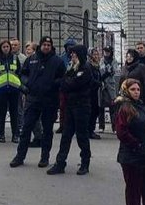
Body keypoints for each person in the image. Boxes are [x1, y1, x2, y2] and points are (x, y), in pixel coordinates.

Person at [10, 36, 66, 168]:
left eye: (48, 44)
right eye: (44, 44)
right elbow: (22, 74)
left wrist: (53, 84)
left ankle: (44, 157)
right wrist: (27, 84)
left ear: (51, 46)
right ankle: (19, 156)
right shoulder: (32, 59)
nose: (46, 47)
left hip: (49, 100)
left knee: (47, 131)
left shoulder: (57, 61)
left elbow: (63, 78)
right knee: (26, 129)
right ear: (40, 46)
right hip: (33, 99)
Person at [48, 44, 94, 175]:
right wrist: (66, 81)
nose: (72, 56)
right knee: (66, 136)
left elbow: (73, 84)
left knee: (82, 136)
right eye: (71, 54)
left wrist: (67, 82)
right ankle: (60, 163)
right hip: (70, 105)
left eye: (74, 53)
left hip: (82, 106)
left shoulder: (85, 68)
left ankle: (85, 163)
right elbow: (64, 83)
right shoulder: (72, 68)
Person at [0, 40, 22, 144]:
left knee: (14, 113)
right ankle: (2, 135)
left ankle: (15, 135)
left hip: (14, 89)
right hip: (1, 89)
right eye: (4, 47)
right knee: (2, 112)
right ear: (1, 48)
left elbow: (19, 71)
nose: (6, 48)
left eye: (7, 47)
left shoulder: (14, 58)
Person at [99, 47, 119, 133]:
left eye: (108, 52)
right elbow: (100, 71)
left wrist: (109, 71)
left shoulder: (114, 61)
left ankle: (114, 127)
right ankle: (101, 126)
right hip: (103, 85)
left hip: (111, 86)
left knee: (113, 107)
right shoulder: (102, 60)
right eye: (105, 51)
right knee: (101, 107)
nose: (106, 53)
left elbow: (114, 71)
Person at [87, 47, 103, 139]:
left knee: (95, 111)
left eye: (97, 54)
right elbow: (91, 79)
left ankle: (90, 129)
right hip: (90, 92)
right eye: (94, 54)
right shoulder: (89, 65)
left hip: (95, 92)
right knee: (92, 111)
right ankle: (89, 130)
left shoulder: (96, 66)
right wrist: (99, 83)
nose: (96, 56)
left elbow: (98, 78)